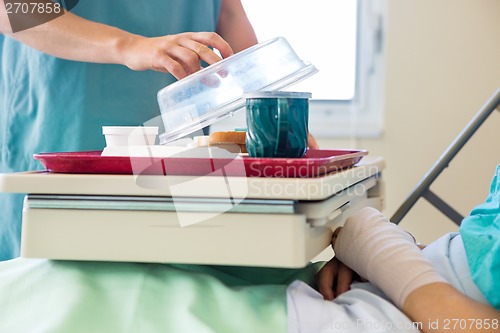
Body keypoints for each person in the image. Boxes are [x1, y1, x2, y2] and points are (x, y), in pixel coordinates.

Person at [0, 0, 258, 261]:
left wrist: (275, 117)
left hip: (177, 154)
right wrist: (131, 46)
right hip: (67, 129)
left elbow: (228, 15)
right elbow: (11, 10)